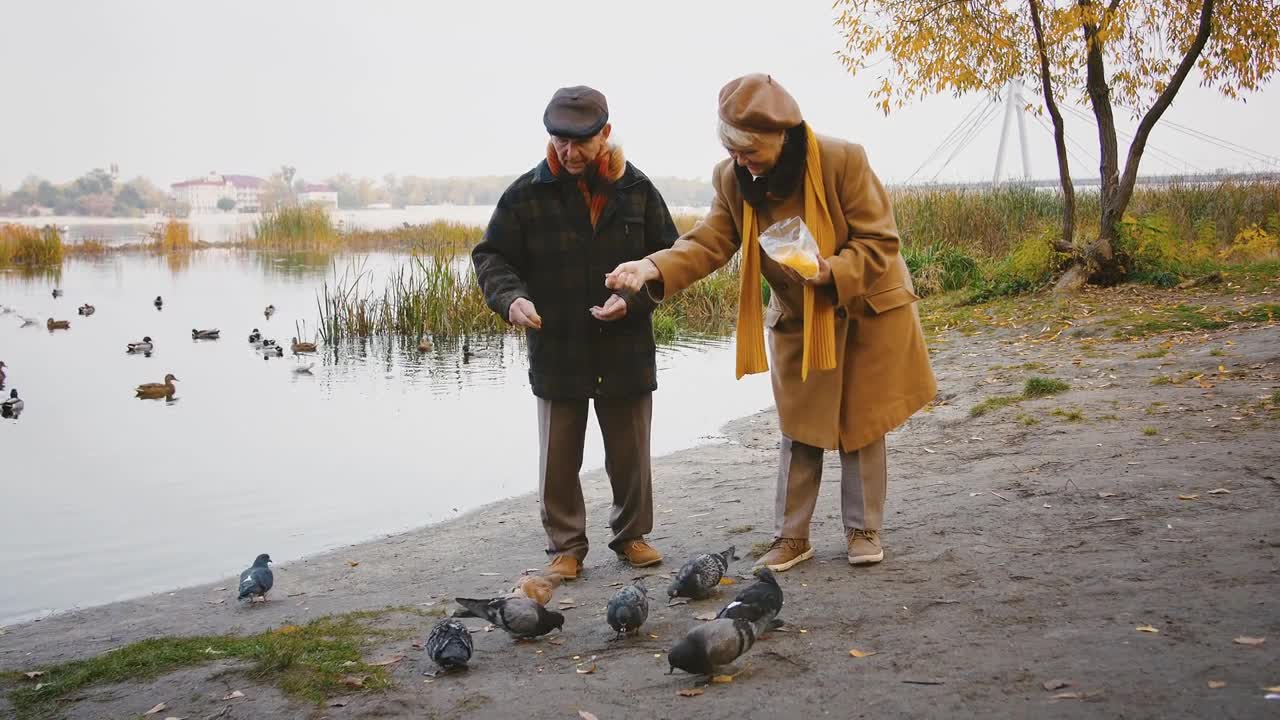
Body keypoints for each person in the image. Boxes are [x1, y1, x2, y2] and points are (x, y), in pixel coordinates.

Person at [606, 74, 936, 571]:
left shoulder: (843, 160)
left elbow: (880, 242)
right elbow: (709, 241)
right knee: (799, 427)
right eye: (732, 150)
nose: (741, 160)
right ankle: (791, 537)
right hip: (799, 317)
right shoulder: (731, 178)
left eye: (749, 150)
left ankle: (864, 529)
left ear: (782, 136)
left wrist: (831, 270)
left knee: (862, 425)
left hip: (864, 309)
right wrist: (652, 266)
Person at [472, 86, 677, 580]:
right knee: (559, 458)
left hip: (625, 346)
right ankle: (565, 547)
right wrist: (510, 299)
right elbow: (491, 256)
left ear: (605, 134)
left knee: (630, 454)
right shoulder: (525, 193)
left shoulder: (638, 189)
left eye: (580, 140)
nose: (569, 151)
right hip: (556, 344)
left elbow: (669, 258)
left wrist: (629, 299)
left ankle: (632, 537)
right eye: (560, 140)